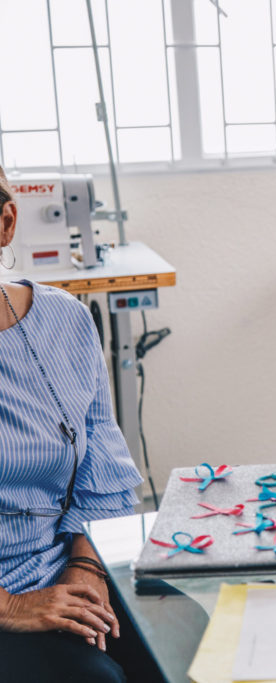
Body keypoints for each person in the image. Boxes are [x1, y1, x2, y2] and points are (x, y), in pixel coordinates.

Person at [0, 166, 145, 681]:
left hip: (66, 568)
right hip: (7, 598)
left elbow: (103, 478)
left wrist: (84, 571)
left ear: (6, 223)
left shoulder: (65, 319)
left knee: (195, 642)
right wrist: (12, 608)